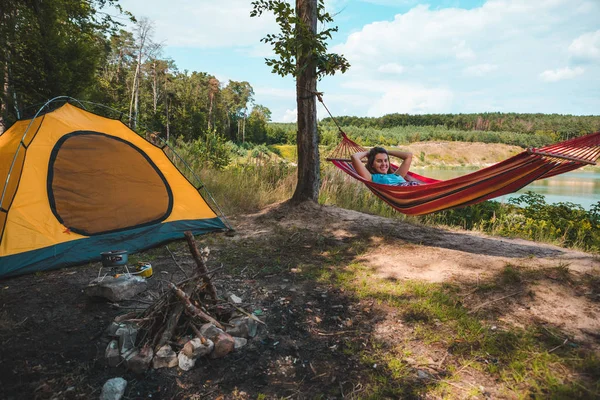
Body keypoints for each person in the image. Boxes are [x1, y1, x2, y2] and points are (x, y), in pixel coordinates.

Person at [351, 147, 420, 186]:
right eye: (379, 161)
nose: (384, 164)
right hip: (405, 191)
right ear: (372, 164)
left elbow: (409, 155)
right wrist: (368, 153)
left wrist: (386, 151)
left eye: (386, 160)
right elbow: (354, 157)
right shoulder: (371, 177)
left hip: (414, 188)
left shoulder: (397, 175)